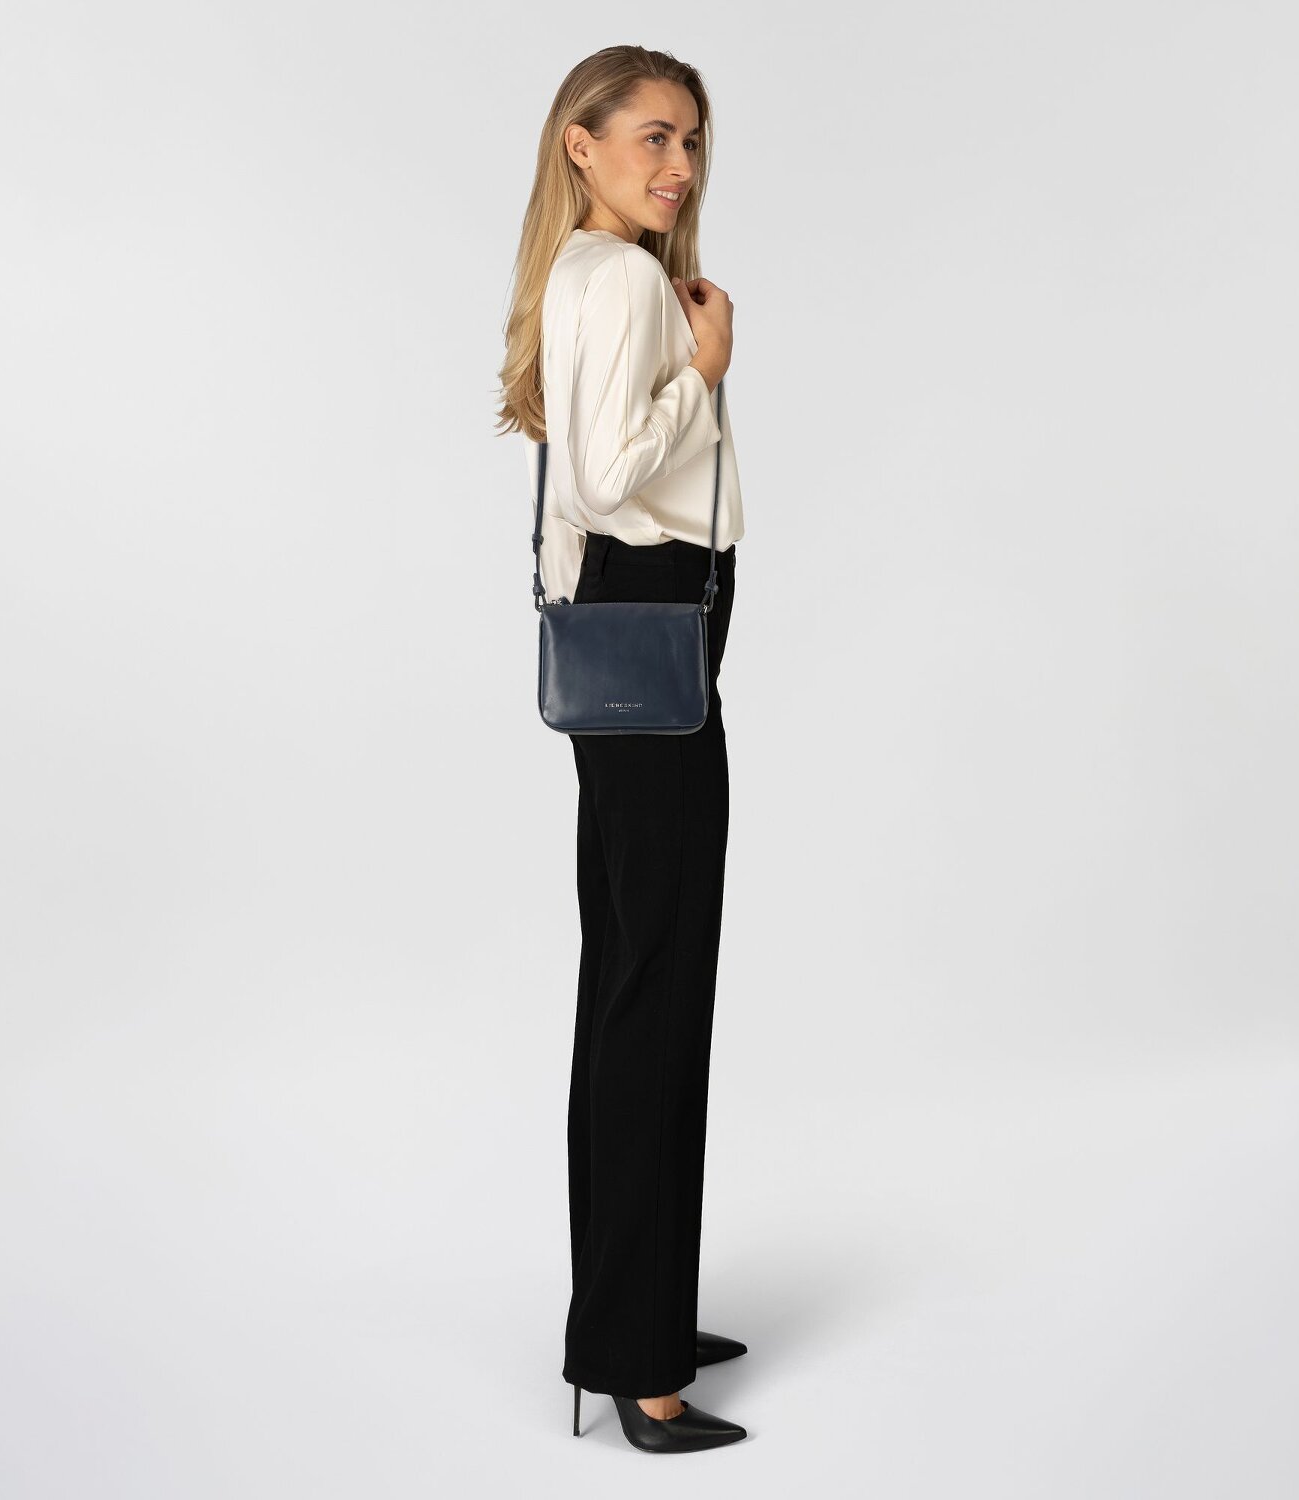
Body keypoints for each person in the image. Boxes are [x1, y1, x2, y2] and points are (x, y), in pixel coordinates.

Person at [496, 45, 749, 1455]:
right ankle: (642, 1363)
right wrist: (703, 377)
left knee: (634, 975)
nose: (680, 166)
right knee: (657, 986)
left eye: (693, 142)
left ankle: (633, 1309)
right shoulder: (625, 284)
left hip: (629, 634)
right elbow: (605, 479)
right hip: (652, 630)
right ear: (579, 145)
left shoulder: (589, 274)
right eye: (654, 137)